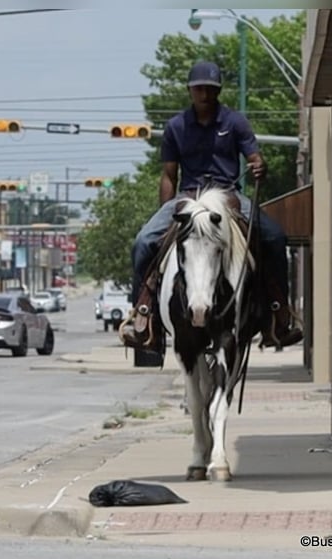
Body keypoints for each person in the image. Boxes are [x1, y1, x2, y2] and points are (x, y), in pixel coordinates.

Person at [120, 60, 303, 351]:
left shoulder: (235, 122)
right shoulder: (176, 127)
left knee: (274, 237)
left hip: (228, 195)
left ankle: (279, 317)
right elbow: (169, 174)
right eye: (199, 88)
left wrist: (259, 167)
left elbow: (255, 158)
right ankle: (143, 317)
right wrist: (167, 212)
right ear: (190, 91)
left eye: (210, 89)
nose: (205, 94)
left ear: (218, 91)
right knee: (143, 242)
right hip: (188, 197)